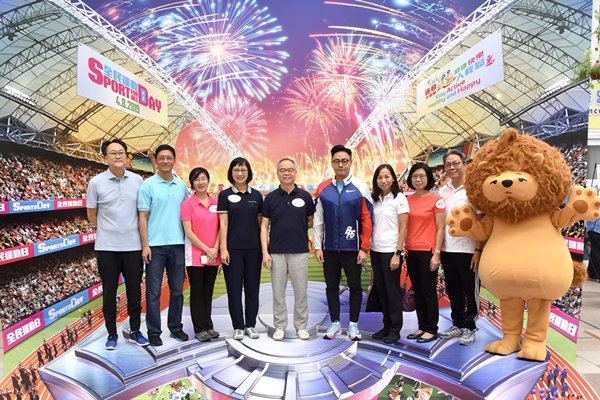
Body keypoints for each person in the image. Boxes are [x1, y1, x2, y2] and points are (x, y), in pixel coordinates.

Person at [86, 138, 149, 350]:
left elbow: (142, 212)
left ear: (126, 155)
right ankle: (111, 334)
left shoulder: (137, 180)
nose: (118, 156)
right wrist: (109, 230)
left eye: (121, 152)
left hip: (133, 247)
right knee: (109, 293)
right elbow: (91, 214)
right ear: (105, 157)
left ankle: (135, 331)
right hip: (107, 249)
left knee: (134, 292)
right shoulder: (96, 182)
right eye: (113, 153)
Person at [314, 145, 373, 340]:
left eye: (344, 161)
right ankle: (335, 324)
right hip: (329, 249)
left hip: (352, 249)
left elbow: (367, 220)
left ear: (350, 162)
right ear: (332, 163)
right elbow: (318, 219)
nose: (341, 164)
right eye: (337, 161)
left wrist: (364, 248)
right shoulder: (323, 188)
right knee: (331, 287)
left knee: (355, 286)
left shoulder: (361, 187)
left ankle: (353, 325)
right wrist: (318, 246)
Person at [138, 144, 188, 346]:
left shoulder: (181, 185)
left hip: (178, 245)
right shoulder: (147, 185)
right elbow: (142, 217)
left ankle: (175, 327)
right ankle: (153, 331)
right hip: (155, 246)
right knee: (153, 292)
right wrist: (145, 245)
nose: (165, 161)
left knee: (177, 291)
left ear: (174, 160)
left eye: (169, 158)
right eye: (162, 158)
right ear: (156, 161)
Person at [260, 158, 315, 341]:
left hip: (300, 251)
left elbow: (310, 221)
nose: (286, 173)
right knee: (278, 293)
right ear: (277, 173)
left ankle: (301, 326)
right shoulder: (271, 198)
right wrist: (265, 252)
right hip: (276, 252)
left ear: (295, 172)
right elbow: (264, 226)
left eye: (290, 170)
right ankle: (280, 326)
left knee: (301, 292)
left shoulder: (305, 196)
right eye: (283, 170)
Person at [438, 150, 481, 345]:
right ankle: (457, 323)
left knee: (470, 290)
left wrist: (478, 250)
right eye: (448, 164)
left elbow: (482, 220)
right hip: (447, 249)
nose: (452, 167)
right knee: (453, 288)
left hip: (468, 249)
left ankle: (470, 327)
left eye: (456, 163)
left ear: (464, 164)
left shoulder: (473, 190)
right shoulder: (443, 191)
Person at [218, 157, 263, 340]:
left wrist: (264, 249)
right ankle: (238, 326)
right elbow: (223, 223)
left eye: (243, 170)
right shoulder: (224, 195)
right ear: (231, 172)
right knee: (234, 290)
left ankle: (250, 325)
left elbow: (261, 224)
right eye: (236, 170)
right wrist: (223, 248)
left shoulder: (256, 196)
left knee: (253, 289)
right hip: (233, 250)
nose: (240, 173)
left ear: (248, 172)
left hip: (254, 250)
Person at [404, 162, 445, 343]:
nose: (418, 179)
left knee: (428, 291)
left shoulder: (436, 200)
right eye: (415, 176)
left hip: (428, 251)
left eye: (421, 176)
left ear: (428, 178)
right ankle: (422, 325)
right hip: (411, 251)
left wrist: (437, 253)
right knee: (418, 290)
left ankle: (431, 328)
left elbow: (440, 228)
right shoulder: (407, 200)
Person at [370, 164, 409, 344]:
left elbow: (404, 228)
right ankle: (386, 325)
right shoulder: (375, 200)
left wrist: (397, 253)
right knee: (382, 291)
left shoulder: (399, 198)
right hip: (376, 250)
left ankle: (395, 328)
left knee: (392, 291)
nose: (383, 180)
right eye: (380, 177)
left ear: (393, 178)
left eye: (387, 176)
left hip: (391, 251)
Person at [180, 167, 221, 342]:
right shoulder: (187, 204)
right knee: (197, 291)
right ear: (192, 183)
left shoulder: (216, 202)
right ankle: (199, 328)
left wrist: (215, 248)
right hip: (195, 254)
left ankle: (208, 325)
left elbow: (221, 227)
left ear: (208, 180)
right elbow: (188, 232)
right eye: (197, 179)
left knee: (208, 291)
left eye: (203, 178)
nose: (201, 182)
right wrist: (207, 249)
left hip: (213, 255)